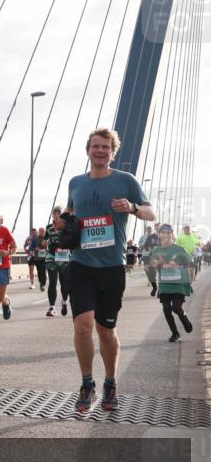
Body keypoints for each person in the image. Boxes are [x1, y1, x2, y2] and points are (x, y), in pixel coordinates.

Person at [57, 128, 154, 413]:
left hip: (111, 267)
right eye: (96, 146)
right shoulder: (76, 182)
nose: (100, 151)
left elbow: (151, 212)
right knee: (83, 326)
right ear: (88, 150)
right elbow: (72, 212)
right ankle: (87, 384)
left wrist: (133, 207)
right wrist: (64, 222)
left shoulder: (126, 181)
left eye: (106, 147)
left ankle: (110, 382)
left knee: (106, 330)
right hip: (81, 264)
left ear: (113, 152)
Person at [151, 224, 194, 342]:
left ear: (172, 235)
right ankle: (175, 333)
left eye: (168, 233)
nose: (166, 235)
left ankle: (184, 317)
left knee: (176, 307)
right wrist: (158, 264)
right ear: (159, 235)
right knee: (166, 309)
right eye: (163, 233)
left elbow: (191, 263)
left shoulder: (179, 249)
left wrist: (179, 266)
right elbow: (153, 265)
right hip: (165, 284)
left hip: (179, 284)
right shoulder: (156, 251)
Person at [43, 206, 71, 317]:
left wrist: (64, 244)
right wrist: (45, 242)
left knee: (64, 282)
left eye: (58, 213)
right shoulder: (49, 227)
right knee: (52, 282)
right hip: (51, 256)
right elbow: (45, 239)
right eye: (54, 213)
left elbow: (71, 239)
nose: (56, 215)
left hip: (64, 257)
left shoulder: (67, 226)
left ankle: (64, 301)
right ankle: (52, 307)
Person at [140, 225, 160, 296]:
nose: (158, 229)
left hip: (160, 257)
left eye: (159, 228)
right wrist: (149, 248)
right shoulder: (151, 236)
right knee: (149, 272)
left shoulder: (164, 236)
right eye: (157, 228)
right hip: (149, 256)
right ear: (155, 229)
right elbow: (145, 246)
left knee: (160, 273)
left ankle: (159, 290)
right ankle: (154, 287)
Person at [33, 226, 49, 291]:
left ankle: (43, 284)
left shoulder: (47, 238)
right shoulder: (35, 239)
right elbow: (31, 247)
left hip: (45, 258)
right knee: (39, 271)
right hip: (37, 258)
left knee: (43, 271)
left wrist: (47, 249)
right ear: (39, 232)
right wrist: (35, 249)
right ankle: (41, 282)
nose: (42, 232)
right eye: (41, 231)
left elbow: (50, 246)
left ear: (45, 232)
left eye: (43, 231)